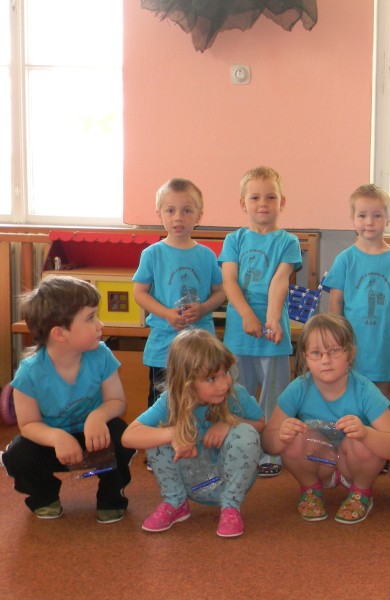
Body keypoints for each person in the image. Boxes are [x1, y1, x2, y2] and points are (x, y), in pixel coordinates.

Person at [1, 276, 134, 523]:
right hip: (53, 446)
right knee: (19, 455)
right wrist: (56, 437)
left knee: (122, 435)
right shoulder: (29, 373)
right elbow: (28, 424)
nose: (100, 324)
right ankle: (45, 497)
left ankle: (111, 497)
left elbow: (117, 401)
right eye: (90, 318)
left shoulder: (101, 355)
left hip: (94, 439)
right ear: (60, 334)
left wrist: (98, 417)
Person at [261, 313, 390, 525]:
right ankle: (311, 489)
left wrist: (366, 434)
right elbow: (267, 442)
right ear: (305, 357)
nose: (325, 360)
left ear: (351, 354)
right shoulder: (298, 388)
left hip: (352, 464)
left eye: (334, 351)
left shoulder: (365, 390)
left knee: (365, 440)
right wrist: (281, 435)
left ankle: (361, 492)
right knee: (293, 435)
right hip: (320, 464)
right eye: (316, 353)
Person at [121, 329, 264, 538]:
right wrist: (175, 434)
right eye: (211, 378)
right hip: (190, 480)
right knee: (156, 436)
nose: (224, 384)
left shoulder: (235, 394)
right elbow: (128, 436)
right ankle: (175, 502)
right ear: (186, 382)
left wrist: (229, 424)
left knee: (246, 433)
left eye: (225, 372)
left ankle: (231, 507)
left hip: (228, 480)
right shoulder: (170, 401)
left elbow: (260, 423)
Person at [220, 166, 302, 477]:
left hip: (272, 333)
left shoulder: (287, 242)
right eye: (255, 197)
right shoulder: (235, 239)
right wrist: (247, 315)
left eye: (271, 197)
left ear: (282, 202)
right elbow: (229, 281)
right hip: (239, 331)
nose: (263, 203)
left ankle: (271, 451)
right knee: (236, 393)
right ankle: (239, 447)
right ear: (243, 203)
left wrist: (271, 321)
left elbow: (280, 281)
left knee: (274, 396)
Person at [133, 178, 226, 413]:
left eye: (186, 211)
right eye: (170, 211)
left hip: (200, 346)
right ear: (159, 214)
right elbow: (139, 293)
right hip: (164, 347)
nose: (178, 218)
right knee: (162, 404)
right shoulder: (152, 254)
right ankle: (159, 436)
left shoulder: (207, 255)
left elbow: (220, 292)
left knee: (201, 401)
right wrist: (166, 313)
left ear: (199, 215)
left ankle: (198, 434)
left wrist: (203, 309)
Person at [326, 184, 390, 404]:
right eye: (362, 215)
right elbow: (335, 302)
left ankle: (381, 428)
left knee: (381, 399)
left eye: (377, 215)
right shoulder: (345, 259)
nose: (369, 222)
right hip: (352, 344)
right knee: (350, 395)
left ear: (388, 219)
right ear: (353, 219)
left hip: (385, 344)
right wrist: (336, 340)